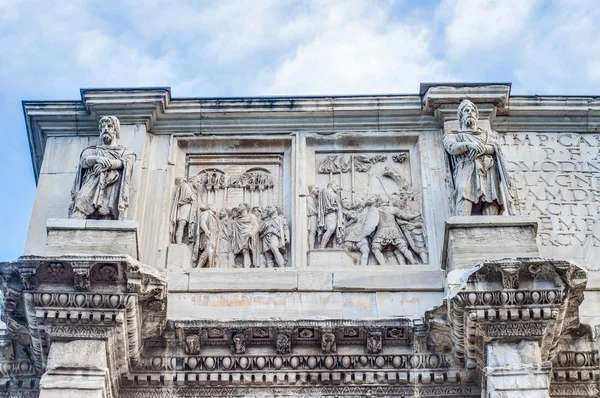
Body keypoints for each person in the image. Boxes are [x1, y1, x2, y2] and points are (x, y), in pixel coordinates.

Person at [443, 100, 512, 216]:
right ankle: (461, 224)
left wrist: (483, 149)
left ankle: (493, 226)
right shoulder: (453, 135)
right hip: (465, 168)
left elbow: (495, 147)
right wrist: (468, 145)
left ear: (476, 115)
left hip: (487, 168)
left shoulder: (486, 135)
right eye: (466, 110)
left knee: (491, 197)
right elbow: (451, 147)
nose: (470, 112)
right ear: (461, 116)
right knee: (463, 191)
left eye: (472, 111)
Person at [70, 116, 136, 220]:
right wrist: (97, 159)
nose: (106, 128)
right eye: (103, 126)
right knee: (82, 199)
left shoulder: (124, 152)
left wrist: (108, 164)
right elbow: (83, 161)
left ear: (116, 130)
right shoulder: (92, 150)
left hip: (111, 183)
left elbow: (127, 161)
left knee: (107, 210)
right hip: (92, 181)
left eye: (109, 126)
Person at [170, 177, 200, 244]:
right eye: (197, 181)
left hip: (189, 207)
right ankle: (178, 243)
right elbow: (189, 196)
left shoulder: (191, 188)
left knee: (186, 226)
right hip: (184, 206)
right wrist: (195, 197)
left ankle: (182, 242)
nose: (198, 184)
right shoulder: (185, 185)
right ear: (192, 180)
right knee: (182, 223)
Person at [231, 203, 260, 267]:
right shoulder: (237, 219)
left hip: (247, 235)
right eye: (238, 205)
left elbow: (256, 226)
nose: (238, 207)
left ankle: (247, 269)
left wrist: (251, 233)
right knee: (240, 253)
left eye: (240, 205)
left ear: (245, 207)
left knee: (245, 251)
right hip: (239, 237)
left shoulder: (251, 216)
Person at [317, 181, 344, 248]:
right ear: (331, 185)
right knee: (331, 229)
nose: (337, 188)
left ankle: (332, 245)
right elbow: (327, 205)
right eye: (336, 185)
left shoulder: (333, 194)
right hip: (330, 213)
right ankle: (322, 246)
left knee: (334, 231)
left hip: (335, 214)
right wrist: (333, 207)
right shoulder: (327, 192)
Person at [306, 185, 319, 249]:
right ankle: (311, 248)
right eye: (316, 188)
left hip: (317, 217)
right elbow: (309, 207)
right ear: (312, 190)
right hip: (313, 217)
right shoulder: (309, 198)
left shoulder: (316, 199)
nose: (318, 189)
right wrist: (315, 211)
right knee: (312, 232)